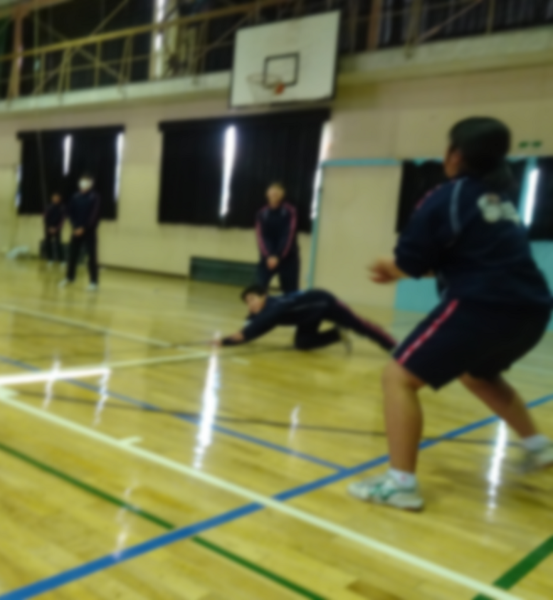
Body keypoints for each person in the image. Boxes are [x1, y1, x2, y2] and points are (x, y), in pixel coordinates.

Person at [348, 117, 553, 512]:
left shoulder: (447, 196)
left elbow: (410, 261)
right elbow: (462, 257)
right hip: (532, 308)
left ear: (455, 154)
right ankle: (538, 445)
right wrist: (404, 268)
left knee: (398, 378)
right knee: (477, 375)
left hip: (482, 305)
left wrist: (390, 267)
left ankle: (400, 484)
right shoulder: (500, 199)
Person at [217, 285, 397, 352]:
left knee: (360, 326)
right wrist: (226, 342)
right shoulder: (266, 311)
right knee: (302, 343)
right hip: (308, 317)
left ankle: (394, 346)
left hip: (325, 303)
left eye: (252, 299)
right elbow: (260, 328)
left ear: (264, 296)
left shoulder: (274, 304)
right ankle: (337, 334)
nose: (250, 304)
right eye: (247, 302)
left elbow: (264, 321)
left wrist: (243, 332)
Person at [256, 182, 300, 294]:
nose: (274, 192)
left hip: (288, 259)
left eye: (278, 190)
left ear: (283, 194)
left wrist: (278, 256)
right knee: (258, 289)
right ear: (267, 193)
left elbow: (288, 235)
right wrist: (269, 256)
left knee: (290, 293)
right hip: (267, 258)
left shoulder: (290, 211)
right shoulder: (262, 213)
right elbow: (262, 236)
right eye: (272, 190)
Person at [60, 173, 100, 291]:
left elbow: (94, 214)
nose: (84, 183)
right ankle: (70, 277)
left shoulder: (94, 197)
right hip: (76, 230)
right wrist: (75, 227)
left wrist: (84, 228)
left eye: (86, 181)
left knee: (92, 256)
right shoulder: (75, 196)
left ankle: (93, 282)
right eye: (82, 181)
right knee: (72, 254)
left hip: (89, 231)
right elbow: (70, 212)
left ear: (90, 184)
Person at [44, 192, 66, 266]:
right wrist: (49, 227)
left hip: (57, 229)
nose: (55, 199)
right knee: (48, 243)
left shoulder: (62, 208)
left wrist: (56, 228)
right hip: (49, 228)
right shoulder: (48, 207)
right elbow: (45, 218)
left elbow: (62, 220)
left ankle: (62, 260)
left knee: (58, 244)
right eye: (54, 198)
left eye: (57, 198)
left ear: (59, 199)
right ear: (52, 199)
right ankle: (50, 258)